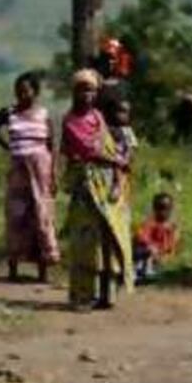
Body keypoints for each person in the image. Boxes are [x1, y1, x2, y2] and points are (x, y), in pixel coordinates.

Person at [61, 69, 133, 310]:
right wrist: (117, 162)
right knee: (85, 243)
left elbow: (110, 148)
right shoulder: (70, 120)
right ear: (74, 92)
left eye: (91, 90)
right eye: (82, 90)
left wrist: (117, 178)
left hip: (108, 182)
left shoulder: (98, 118)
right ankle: (82, 296)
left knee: (109, 240)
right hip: (86, 185)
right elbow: (88, 150)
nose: (87, 95)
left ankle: (108, 294)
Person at [0, 71, 60, 282]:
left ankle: (43, 271)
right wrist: (6, 146)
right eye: (18, 91)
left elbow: (52, 145)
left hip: (41, 172)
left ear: (35, 92)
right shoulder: (9, 113)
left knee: (42, 216)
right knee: (16, 217)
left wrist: (54, 174)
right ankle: (13, 269)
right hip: (18, 172)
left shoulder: (44, 115)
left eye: (26, 91)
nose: (21, 95)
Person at [133, 192, 179, 284]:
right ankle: (140, 271)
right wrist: (150, 246)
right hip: (146, 253)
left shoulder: (171, 228)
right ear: (155, 210)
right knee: (145, 252)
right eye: (160, 209)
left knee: (158, 258)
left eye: (166, 209)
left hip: (160, 255)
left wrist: (164, 254)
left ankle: (151, 271)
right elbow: (140, 236)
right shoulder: (150, 223)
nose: (164, 212)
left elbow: (172, 245)